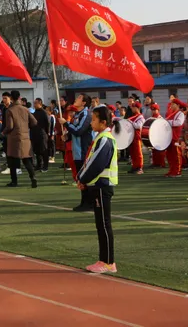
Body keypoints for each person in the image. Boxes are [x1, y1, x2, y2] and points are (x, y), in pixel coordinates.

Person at [80, 106, 119, 274]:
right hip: (97, 186)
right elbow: (90, 161)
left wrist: (83, 179)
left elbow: (96, 163)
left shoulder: (105, 139)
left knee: (104, 224)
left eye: (94, 119)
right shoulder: (100, 137)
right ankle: (104, 259)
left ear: (103, 122)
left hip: (103, 186)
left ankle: (108, 262)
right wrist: (82, 178)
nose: (92, 122)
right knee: (100, 224)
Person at [60, 94, 93, 210]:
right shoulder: (78, 114)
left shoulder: (86, 114)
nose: (76, 99)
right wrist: (67, 137)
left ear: (84, 103)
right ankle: (84, 202)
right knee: (80, 178)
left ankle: (89, 203)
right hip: (77, 150)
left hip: (84, 150)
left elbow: (79, 131)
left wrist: (65, 123)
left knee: (85, 177)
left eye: (79, 98)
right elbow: (74, 131)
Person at [3, 90, 38, 188]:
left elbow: (10, 126)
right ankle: (33, 177)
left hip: (14, 138)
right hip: (25, 137)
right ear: (19, 97)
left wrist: (3, 133)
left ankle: (14, 181)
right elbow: (34, 122)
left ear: (11, 98)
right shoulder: (25, 109)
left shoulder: (10, 110)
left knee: (12, 160)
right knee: (27, 160)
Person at [164, 99, 186, 178]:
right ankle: (172, 170)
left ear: (178, 105)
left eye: (173, 104)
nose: (171, 106)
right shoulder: (172, 114)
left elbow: (179, 122)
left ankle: (177, 171)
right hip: (170, 137)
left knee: (176, 155)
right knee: (170, 155)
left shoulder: (180, 114)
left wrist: (168, 122)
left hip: (176, 137)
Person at [32, 98, 50, 172]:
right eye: (34, 103)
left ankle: (45, 166)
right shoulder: (35, 112)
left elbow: (48, 123)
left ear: (40, 103)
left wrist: (48, 132)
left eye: (36, 103)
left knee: (44, 150)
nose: (34, 104)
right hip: (35, 134)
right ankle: (39, 165)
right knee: (37, 151)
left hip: (42, 134)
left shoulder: (44, 112)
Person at [126, 101, 145, 174]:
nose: (132, 109)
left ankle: (140, 168)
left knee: (138, 153)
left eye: (133, 107)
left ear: (137, 108)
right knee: (133, 153)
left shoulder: (141, 117)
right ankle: (135, 166)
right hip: (132, 137)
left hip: (137, 137)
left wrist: (130, 122)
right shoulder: (134, 116)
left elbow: (139, 126)